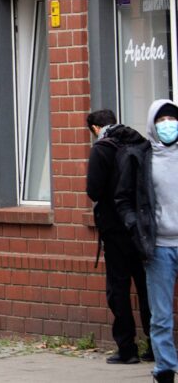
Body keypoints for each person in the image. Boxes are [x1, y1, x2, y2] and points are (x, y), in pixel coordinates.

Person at [115, 100, 178, 383]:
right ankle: (164, 369)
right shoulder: (140, 157)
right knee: (161, 315)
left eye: (172, 119)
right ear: (153, 124)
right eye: (162, 119)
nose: (168, 124)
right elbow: (124, 198)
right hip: (159, 247)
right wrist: (135, 226)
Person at [86, 109, 153, 365]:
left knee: (119, 289)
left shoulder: (101, 148)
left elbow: (93, 190)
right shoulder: (139, 142)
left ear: (95, 128)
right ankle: (155, 346)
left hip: (115, 230)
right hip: (142, 229)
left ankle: (127, 349)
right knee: (147, 288)